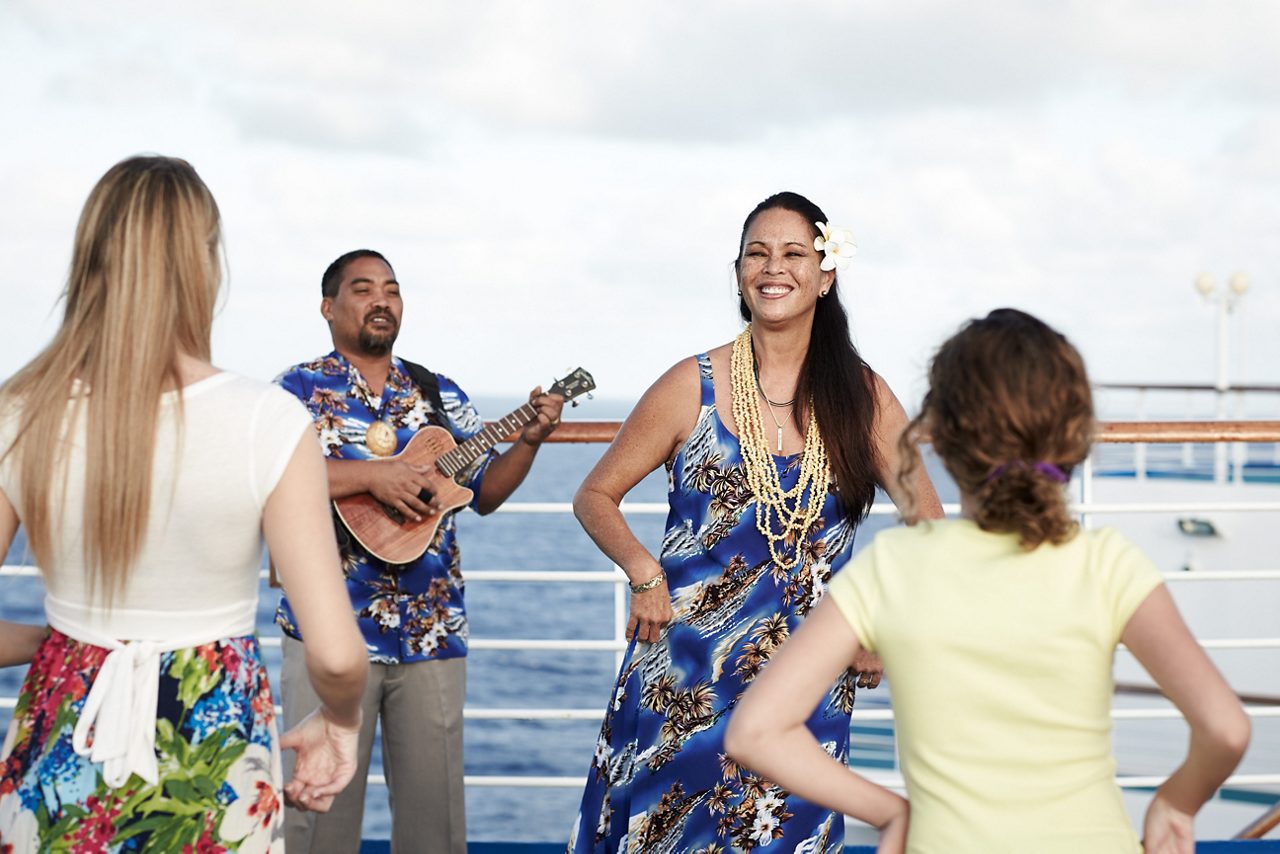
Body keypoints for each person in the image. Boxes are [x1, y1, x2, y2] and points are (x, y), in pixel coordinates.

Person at [726, 308, 1253, 853]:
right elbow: (1227, 729)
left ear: (942, 437)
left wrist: (890, 813)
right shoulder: (1107, 565)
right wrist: (1177, 802)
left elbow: (756, 733)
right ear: (1072, 433)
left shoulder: (894, 568)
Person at [0, 155, 368, 852]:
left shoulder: (20, 412)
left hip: (63, 721)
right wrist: (339, 725)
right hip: (215, 740)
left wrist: (58, 643)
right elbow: (338, 656)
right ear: (206, 265)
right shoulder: (266, 419)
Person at [566, 191, 943, 851]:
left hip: (806, 688)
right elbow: (595, 495)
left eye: (794, 253)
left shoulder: (863, 398)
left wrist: (879, 626)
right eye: (758, 254)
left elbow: (932, 531)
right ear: (739, 272)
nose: (774, 267)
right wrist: (643, 572)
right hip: (683, 681)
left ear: (825, 275)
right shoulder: (692, 385)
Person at [276, 248, 566, 853]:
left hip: (431, 630)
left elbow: (483, 493)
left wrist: (531, 443)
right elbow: (271, 476)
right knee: (316, 814)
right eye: (363, 289)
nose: (381, 300)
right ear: (328, 307)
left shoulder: (438, 392)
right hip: (327, 627)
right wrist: (369, 477)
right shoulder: (294, 391)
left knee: (435, 823)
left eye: (392, 289)